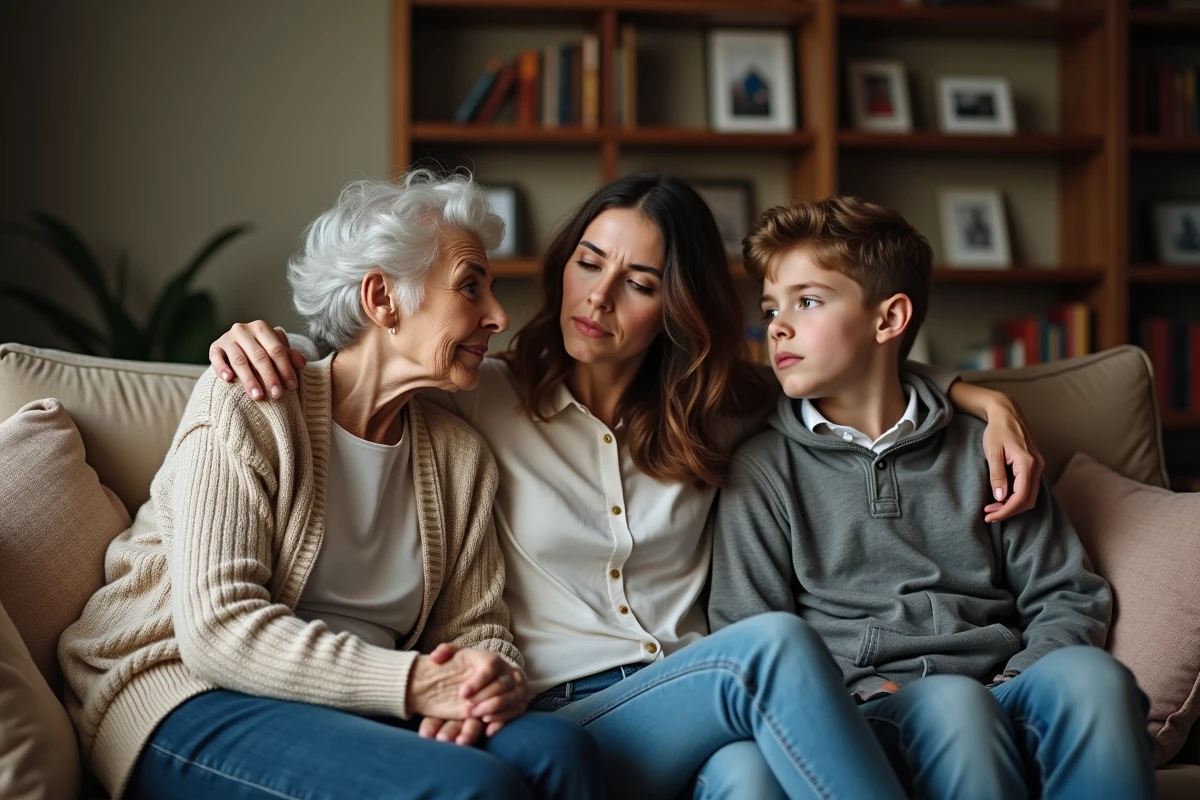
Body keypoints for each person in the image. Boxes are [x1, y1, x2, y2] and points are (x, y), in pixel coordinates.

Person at [209, 172, 1049, 799]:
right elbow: (362, 358)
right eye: (587, 263)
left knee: (750, 781)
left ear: (674, 309)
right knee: (776, 646)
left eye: (639, 284)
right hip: (566, 711)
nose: (598, 297)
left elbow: (856, 365)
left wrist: (982, 401)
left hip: (700, 706)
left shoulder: (724, 411)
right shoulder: (481, 394)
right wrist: (259, 339)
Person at [58, 171, 604, 800]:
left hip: (361, 701)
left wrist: (490, 682)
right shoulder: (253, 402)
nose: (499, 315)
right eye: (470, 287)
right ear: (381, 299)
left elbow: (476, 626)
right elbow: (216, 630)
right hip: (187, 690)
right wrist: (417, 684)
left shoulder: (460, 458)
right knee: (473, 787)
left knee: (563, 751)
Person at [708, 195, 1155, 800]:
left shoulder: (989, 449)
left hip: (1002, 687)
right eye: (770, 307)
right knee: (952, 706)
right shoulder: (763, 470)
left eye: (807, 301)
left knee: (1096, 679)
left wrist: (1020, 676)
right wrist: (854, 691)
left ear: (888, 320)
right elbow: (750, 630)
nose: (777, 326)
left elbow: (1068, 594)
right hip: (865, 708)